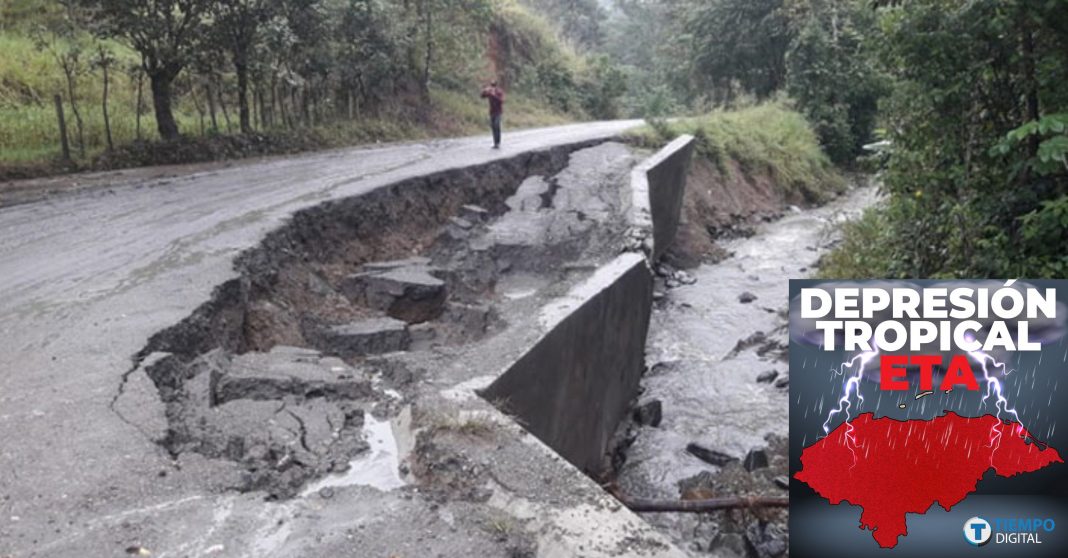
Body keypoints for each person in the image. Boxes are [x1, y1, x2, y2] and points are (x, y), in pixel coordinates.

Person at [480, 80, 505, 149]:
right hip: (492, 112)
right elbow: (482, 96)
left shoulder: (499, 92)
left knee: (497, 126)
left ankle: (498, 142)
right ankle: (495, 143)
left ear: (496, 86)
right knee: (493, 127)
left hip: (498, 112)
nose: (492, 87)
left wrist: (494, 95)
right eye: (491, 85)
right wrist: (484, 91)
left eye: (493, 86)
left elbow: (501, 101)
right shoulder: (490, 92)